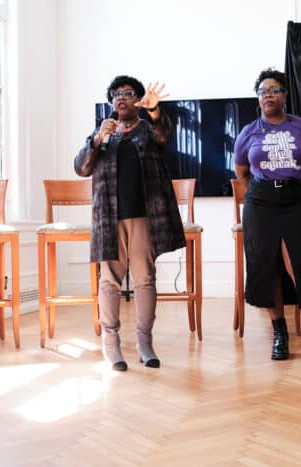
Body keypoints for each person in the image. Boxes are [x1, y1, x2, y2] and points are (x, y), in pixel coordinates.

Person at [74, 75, 185, 371]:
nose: (122, 97)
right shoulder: (103, 135)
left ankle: (144, 343)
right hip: (108, 219)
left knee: (145, 280)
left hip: (143, 217)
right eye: (116, 94)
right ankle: (111, 345)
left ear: (137, 100)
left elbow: (164, 135)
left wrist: (155, 111)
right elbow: (81, 168)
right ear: (112, 102)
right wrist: (97, 139)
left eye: (128, 93)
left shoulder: (149, 130)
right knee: (109, 282)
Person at [233, 67, 301, 364]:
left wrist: (297, 190)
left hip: (296, 200)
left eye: (274, 90)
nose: (268, 95)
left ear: (285, 94)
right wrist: (264, 192)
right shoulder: (249, 132)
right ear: (258, 97)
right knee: (267, 267)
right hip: (261, 203)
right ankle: (280, 335)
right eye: (263, 91)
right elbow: (241, 172)